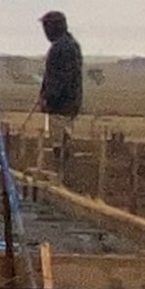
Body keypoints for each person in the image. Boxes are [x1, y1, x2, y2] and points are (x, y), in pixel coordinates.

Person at [36, 10, 83, 174]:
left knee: (59, 141)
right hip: (71, 102)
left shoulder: (60, 48)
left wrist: (47, 98)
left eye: (46, 27)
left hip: (60, 103)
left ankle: (62, 173)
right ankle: (63, 171)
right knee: (64, 136)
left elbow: (58, 79)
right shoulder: (71, 44)